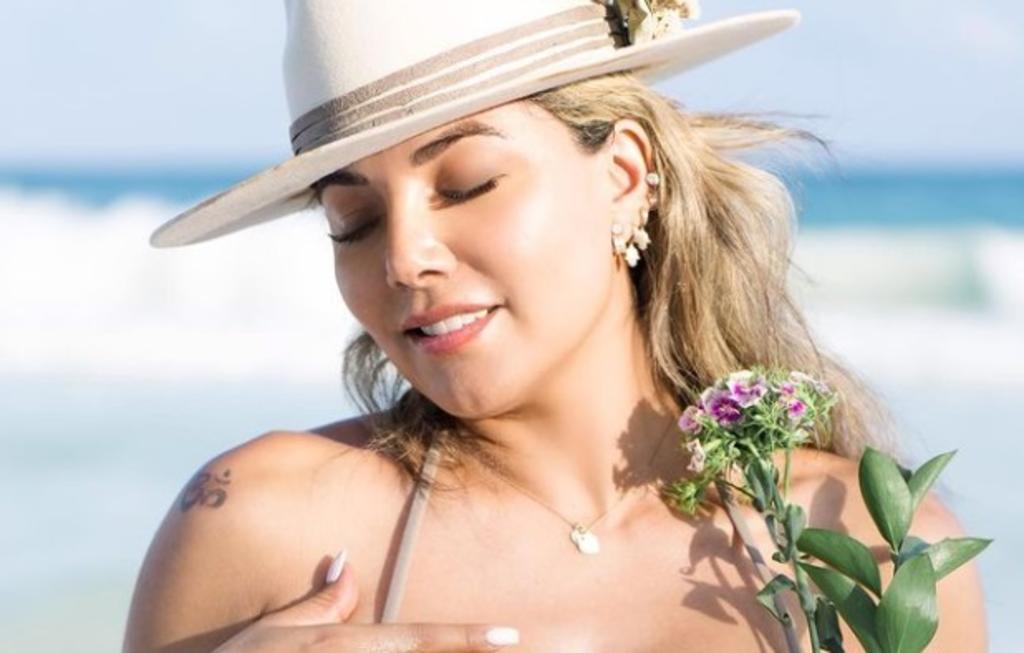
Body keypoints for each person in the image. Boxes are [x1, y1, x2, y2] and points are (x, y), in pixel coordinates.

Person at [123, 1, 986, 651]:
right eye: (354, 220)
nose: (404, 258)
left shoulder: (873, 550)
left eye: (467, 183)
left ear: (623, 176)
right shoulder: (259, 524)